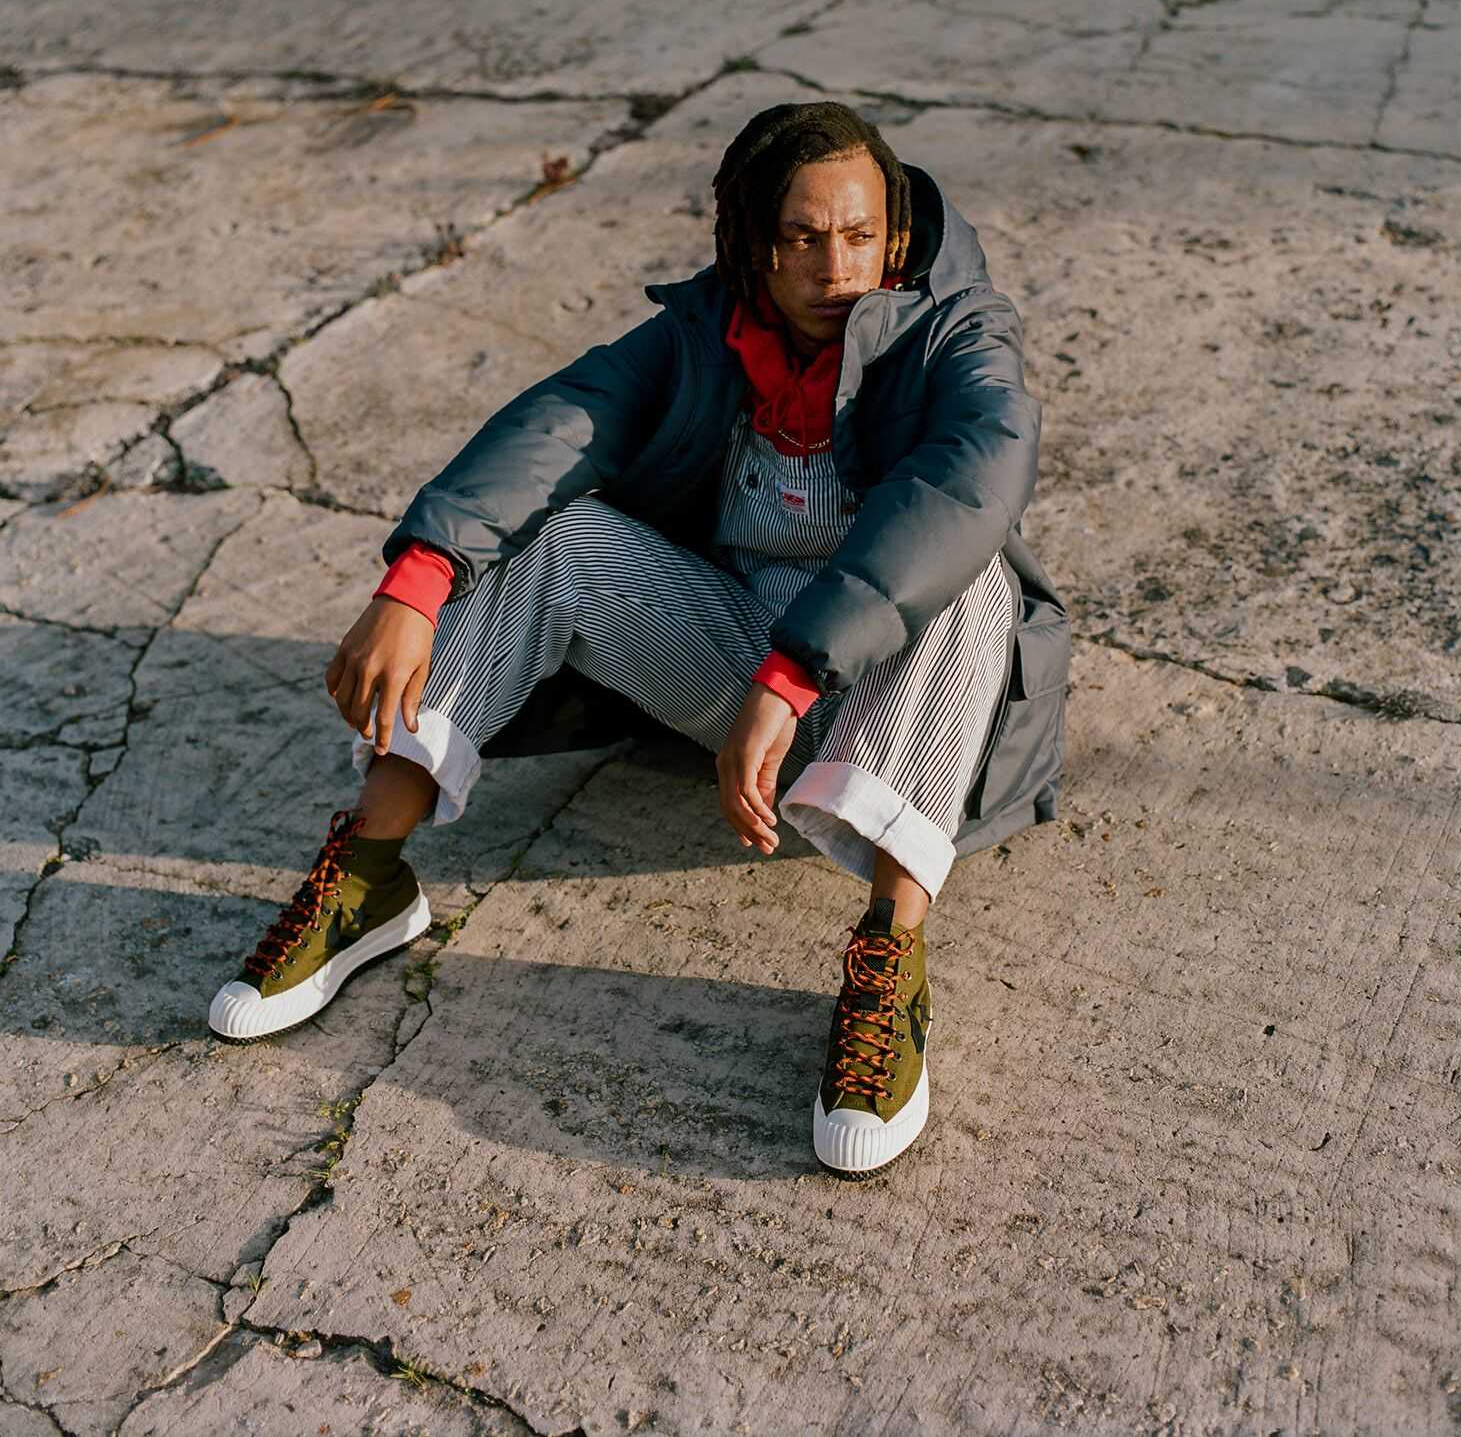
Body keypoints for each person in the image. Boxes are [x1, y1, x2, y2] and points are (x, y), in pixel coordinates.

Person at [208, 100, 1069, 1178]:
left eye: (859, 234)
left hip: (911, 711)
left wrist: (796, 670)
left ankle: (889, 956)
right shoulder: (709, 332)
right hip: (738, 678)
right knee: (556, 535)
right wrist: (417, 578)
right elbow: (563, 422)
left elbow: (970, 482)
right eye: (803, 237)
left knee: (973, 575)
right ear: (753, 243)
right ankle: (372, 873)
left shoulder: (959, 329)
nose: (837, 266)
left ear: (894, 232)